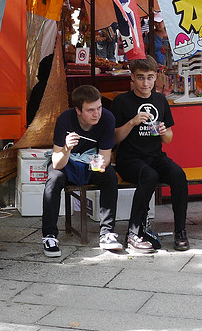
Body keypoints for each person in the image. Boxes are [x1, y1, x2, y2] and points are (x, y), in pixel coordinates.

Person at [112, 56, 190, 252]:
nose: (145, 83)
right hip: (129, 159)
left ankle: (180, 231)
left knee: (179, 175)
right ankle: (133, 232)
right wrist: (132, 122)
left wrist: (164, 131)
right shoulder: (121, 101)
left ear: (156, 77)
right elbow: (114, 139)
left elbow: (169, 138)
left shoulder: (160, 100)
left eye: (149, 77)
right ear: (132, 78)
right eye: (140, 78)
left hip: (155, 156)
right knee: (149, 175)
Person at [40, 85, 122, 256]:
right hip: (66, 160)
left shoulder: (107, 118)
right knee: (54, 179)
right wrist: (67, 148)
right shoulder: (65, 120)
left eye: (99, 108)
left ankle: (107, 233)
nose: (96, 114)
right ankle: (49, 235)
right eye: (90, 110)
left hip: (91, 160)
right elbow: (56, 163)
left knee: (109, 176)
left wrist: (92, 169)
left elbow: (105, 157)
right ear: (78, 110)